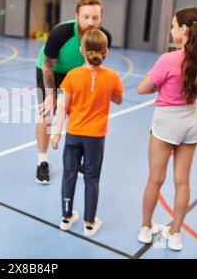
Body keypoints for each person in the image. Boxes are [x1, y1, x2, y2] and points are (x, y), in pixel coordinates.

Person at [136, 7, 197, 251]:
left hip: (167, 122)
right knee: (183, 182)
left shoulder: (168, 59)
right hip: (191, 122)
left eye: (173, 25)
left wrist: (153, 80)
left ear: (183, 29)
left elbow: (142, 88)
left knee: (155, 179)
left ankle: (146, 228)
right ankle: (176, 233)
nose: (171, 30)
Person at [51, 29, 124, 237]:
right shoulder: (112, 77)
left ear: (82, 50)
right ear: (106, 51)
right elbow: (118, 100)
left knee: (69, 175)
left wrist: (56, 134)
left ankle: (66, 217)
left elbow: (63, 107)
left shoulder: (73, 75)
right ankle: (89, 223)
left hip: (74, 134)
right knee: (92, 178)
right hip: (96, 137)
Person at [35, 0, 112, 184]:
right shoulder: (61, 33)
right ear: (77, 16)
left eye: (95, 17)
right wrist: (52, 96)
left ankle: (80, 162)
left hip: (78, 74)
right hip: (52, 71)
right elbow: (47, 65)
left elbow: (95, 68)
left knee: (80, 115)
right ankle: (42, 161)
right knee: (47, 115)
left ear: (101, 18)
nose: (91, 22)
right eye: (86, 17)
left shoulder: (103, 38)